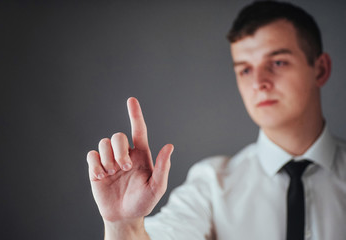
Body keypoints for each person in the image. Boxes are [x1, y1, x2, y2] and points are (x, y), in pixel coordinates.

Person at [86, 1, 346, 239]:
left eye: (278, 62)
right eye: (245, 69)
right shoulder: (210, 185)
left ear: (320, 69)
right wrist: (125, 227)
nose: (258, 83)